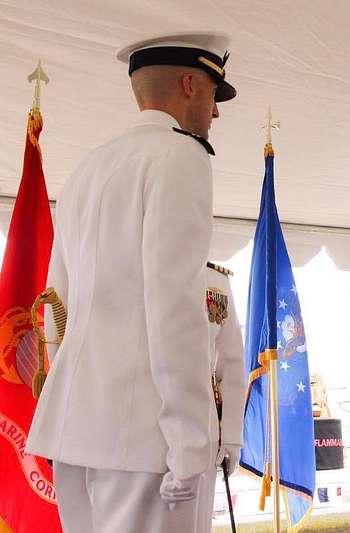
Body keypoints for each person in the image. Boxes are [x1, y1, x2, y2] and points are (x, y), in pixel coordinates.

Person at [26, 32, 237, 533]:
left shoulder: (88, 166)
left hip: (75, 428)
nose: (216, 113)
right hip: (144, 438)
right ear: (189, 84)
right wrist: (189, 441)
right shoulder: (181, 157)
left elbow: (57, 304)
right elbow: (173, 311)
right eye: (213, 94)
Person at [196, 262, 245, 533]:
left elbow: (232, 362)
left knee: (195, 524)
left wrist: (231, 435)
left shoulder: (214, 281)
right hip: (132, 427)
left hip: (202, 428)